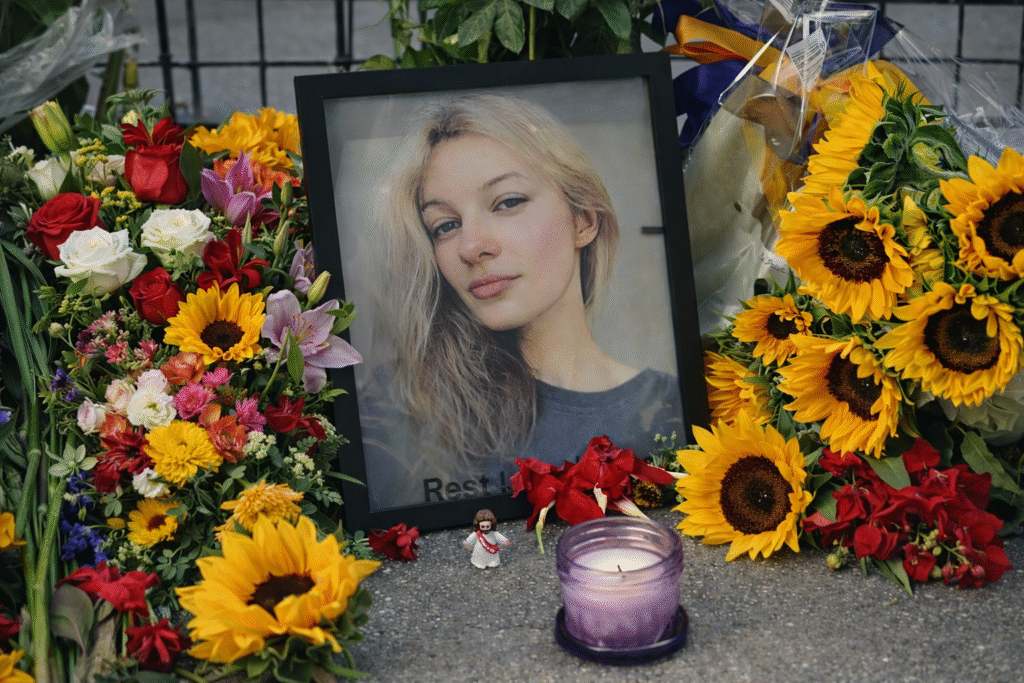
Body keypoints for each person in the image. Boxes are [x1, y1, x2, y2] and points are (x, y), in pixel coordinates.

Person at [362, 93, 684, 510]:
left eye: (508, 202)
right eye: (445, 225)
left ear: (583, 220)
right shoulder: (401, 402)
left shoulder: (673, 408)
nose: (471, 247)